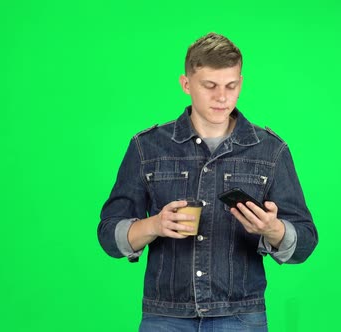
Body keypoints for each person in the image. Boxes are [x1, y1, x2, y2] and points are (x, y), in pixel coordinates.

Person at [98, 32, 318, 331]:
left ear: (240, 82)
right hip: (165, 317)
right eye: (210, 86)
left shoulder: (271, 150)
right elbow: (109, 236)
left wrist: (273, 229)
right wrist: (154, 226)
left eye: (231, 85)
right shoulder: (146, 147)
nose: (222, 97)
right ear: (186, 84)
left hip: (242, 317)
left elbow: (305, 243)